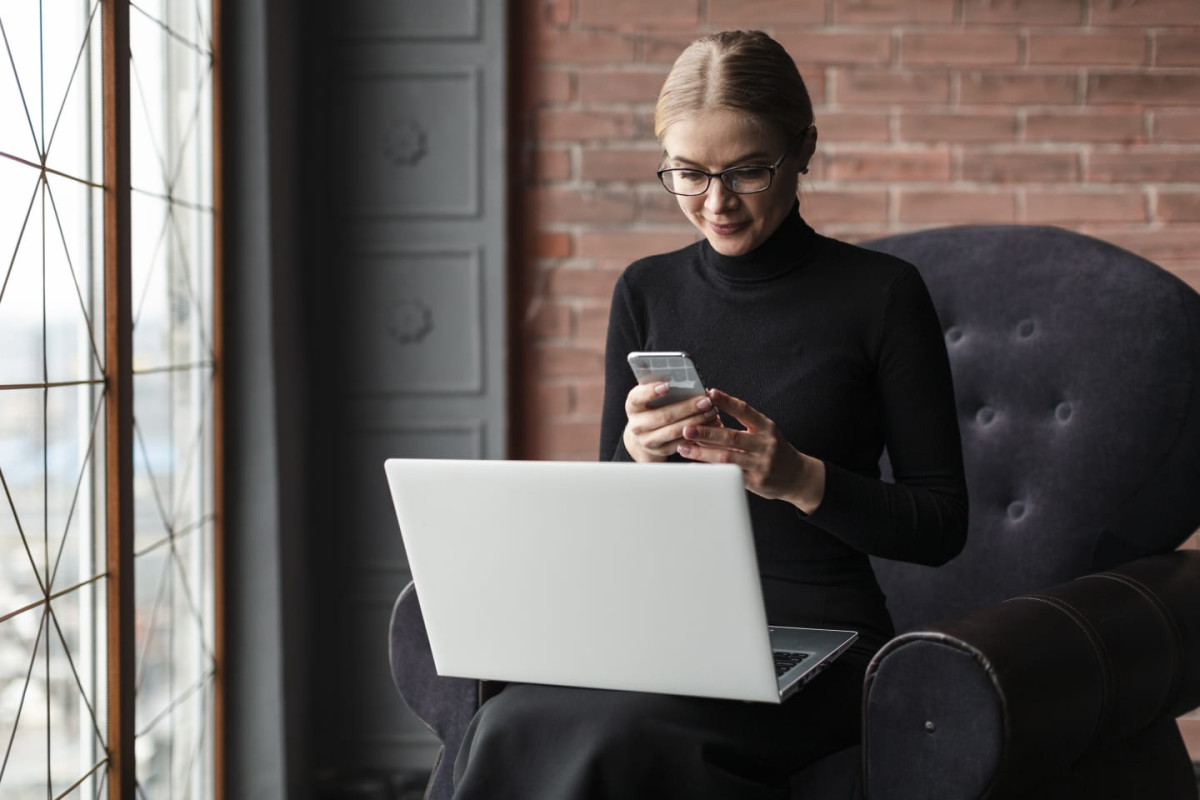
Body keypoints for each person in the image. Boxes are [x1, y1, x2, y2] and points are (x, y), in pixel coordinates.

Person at [451, 30, 968, 799]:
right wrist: (635, 456)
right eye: (688, 174)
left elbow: (941, 525)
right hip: (668, 634)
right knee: (509, 717)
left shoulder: (883, 295)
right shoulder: (646, 291)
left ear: (804, 152)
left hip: (825, 640)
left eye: (748, 171)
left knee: (623, 736)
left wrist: (800, 478)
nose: (716, 203)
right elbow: (616, 527)